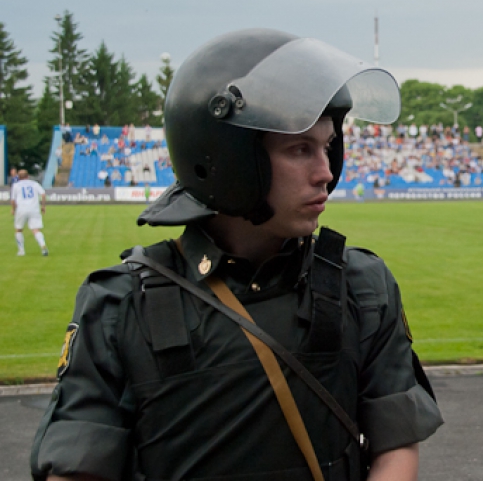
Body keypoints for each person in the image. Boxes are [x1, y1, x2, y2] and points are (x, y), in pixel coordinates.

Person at [31, 29, 443, 481]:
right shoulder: (120, 306)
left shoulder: (362, 286)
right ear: (228, 160)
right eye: (300, 149)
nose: (326, 173)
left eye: (327, 147)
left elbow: (396, 449)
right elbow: (76, 470)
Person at [12, 169, 49, 257]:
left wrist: (13, 209)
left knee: (19, 229)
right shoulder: (34, 183)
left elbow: (13, 200)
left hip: (21, 209)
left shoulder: (16, 185)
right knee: (36, 230)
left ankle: (21, 251)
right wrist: (43, 206)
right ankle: (43, 246)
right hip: (34, 209)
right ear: (27, 176)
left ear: (19, 177)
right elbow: (43, 194)